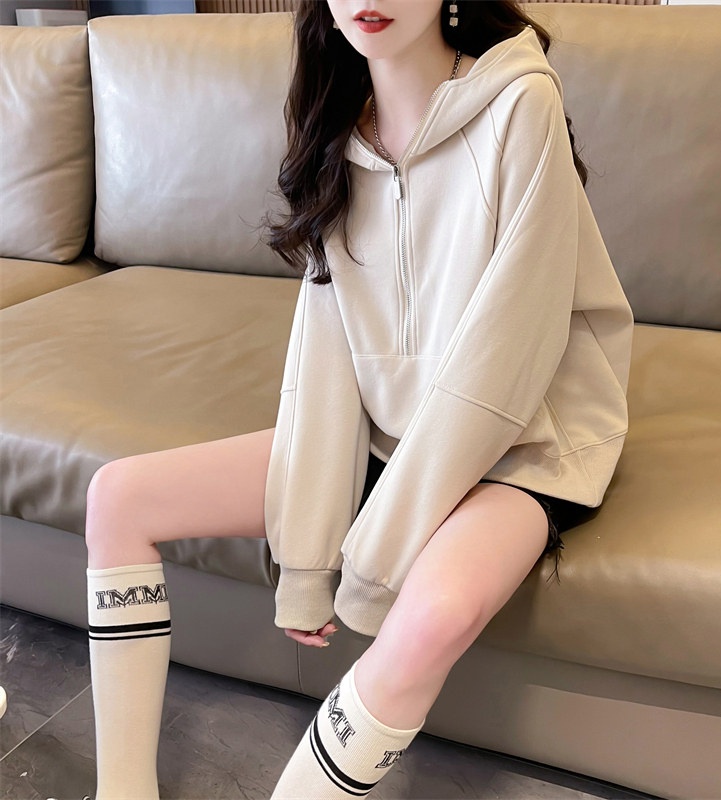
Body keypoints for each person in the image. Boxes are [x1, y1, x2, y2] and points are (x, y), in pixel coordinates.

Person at [83, 1, 634, 798]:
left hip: (522, 446)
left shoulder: (521, 103)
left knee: (431, 619)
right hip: (386, 436)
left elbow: (506, 362)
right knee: (117, 497)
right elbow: (327, 359)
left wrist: (371, 564)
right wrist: (308, 564)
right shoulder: (338, 132)